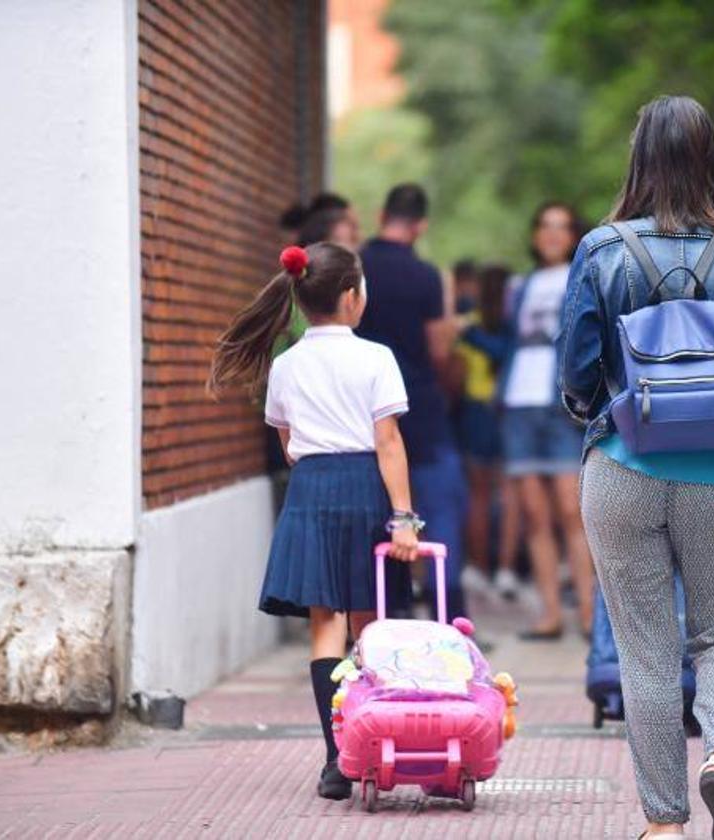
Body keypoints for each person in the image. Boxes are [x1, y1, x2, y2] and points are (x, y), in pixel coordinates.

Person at [559, 95, 714, 840]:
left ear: (639, 159)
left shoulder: (602, 249)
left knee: (646, 651)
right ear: (711, 160)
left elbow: (576, 369)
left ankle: (664, 825)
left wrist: (602, 411)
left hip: (624, 466)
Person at [207, 243, 421, 800]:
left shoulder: (285, 364)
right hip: (364, 488)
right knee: (368, 627)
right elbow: (388, 442)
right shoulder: (376, 358)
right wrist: (403, 517)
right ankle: (375, 750)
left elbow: (288, 443)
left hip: (310, 488)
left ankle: (337, 760)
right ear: (353, 296)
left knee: (324, 626)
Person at [357, 184, 469, 619]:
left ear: (381, 214)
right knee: (441, 510)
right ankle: (450, 616)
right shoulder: (426, 275)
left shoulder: (357, 267)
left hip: (364, 412)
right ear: (421, 225)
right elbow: (439, 349)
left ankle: (389, 617)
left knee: (379, 514)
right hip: (420, 408)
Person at [502, 202, 594, 640]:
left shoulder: (585, 276)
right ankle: (550, 614)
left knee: (571, 511)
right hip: (519, 403)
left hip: (562, 406)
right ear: (536, 235)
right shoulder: (522, 285)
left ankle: (591, 616)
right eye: (546, 227)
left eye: (563, 227)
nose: (553, 235)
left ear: (574, 234)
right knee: (535, 517)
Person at [456, 265, 522, 601]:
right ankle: (506, 571)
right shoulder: (516, 327)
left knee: (478, 495)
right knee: (510, 495)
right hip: (508, 411)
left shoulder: (468, 325)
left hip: (476, 411)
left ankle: (479, 568)